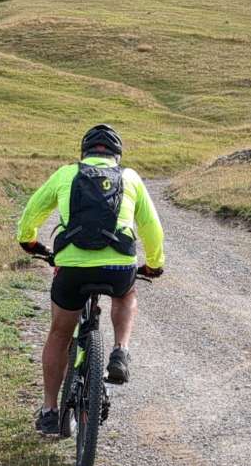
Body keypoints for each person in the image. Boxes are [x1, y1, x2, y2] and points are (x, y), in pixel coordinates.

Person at [17, 124, 165, 435]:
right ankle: (120, 350)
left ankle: (49, 411)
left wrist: (30, 242)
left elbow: (30, 215)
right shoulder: (130, 177)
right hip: (118, 266)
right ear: (117, 155)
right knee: (125, 294)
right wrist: (154, 265)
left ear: (84, 152)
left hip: (72, 268)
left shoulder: (66, 174)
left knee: (59, 334)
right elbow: (152, 228)